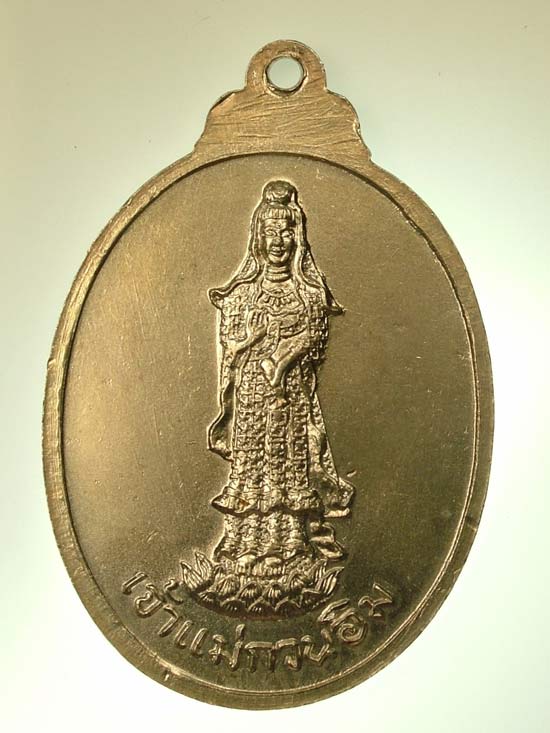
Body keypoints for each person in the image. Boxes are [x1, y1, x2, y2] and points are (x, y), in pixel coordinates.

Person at [182, 179, 354, 616]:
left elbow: (316, 342)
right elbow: (231, 344)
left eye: (286, 232)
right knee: (252, 467)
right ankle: (242, 547)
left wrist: (285, 354)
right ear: (258, 236)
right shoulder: (241, 295)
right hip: (252, 400)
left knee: (287, 467)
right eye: (270, 232)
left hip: (289, 402)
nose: (278, 241)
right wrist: (252, 341)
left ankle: (289, 548)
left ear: (297, 237)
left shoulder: (308, 295)